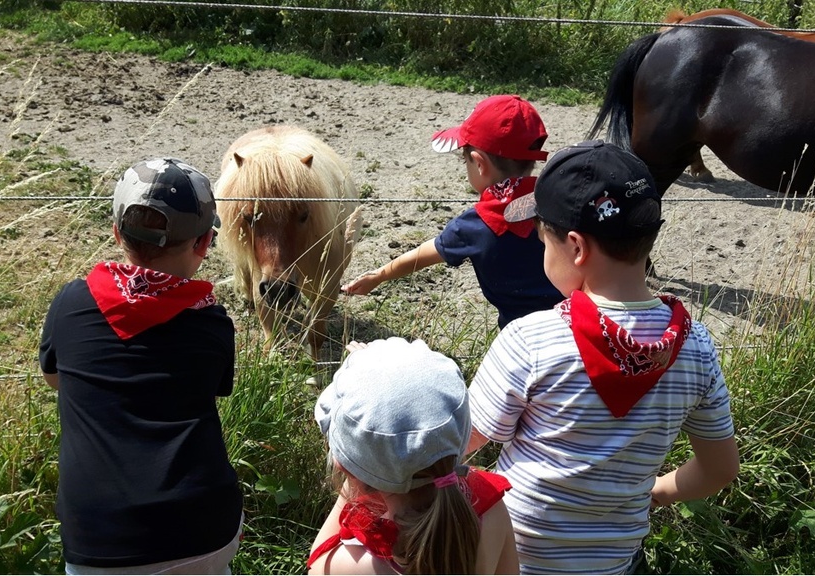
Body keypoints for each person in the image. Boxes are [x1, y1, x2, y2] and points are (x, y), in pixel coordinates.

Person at [466, 141, 740, 574]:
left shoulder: (531, 341)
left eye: (543, 242)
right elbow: (720, 468)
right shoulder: (695, 348)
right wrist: (656, 491)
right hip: (612, 564)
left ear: (575, 247)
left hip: (514, 559)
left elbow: (459, 443)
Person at [39, 158, 243, 574]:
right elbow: (213, 388)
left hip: (100, 537)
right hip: (204, 527)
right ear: (204, 243)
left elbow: (54, 377)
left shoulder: (72, 302)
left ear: (117, 233)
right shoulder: (211, 323)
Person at [341, 94, 563, 328]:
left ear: (479, 163)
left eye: (464, 161)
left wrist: (379, 275)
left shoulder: (475, 225)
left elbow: (424, 253)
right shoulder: (560, 204)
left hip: (520, 338)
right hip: (578, 325)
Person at [307, 337, 519, 575]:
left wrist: (357, 472)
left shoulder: (358, 564)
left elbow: (317, 564)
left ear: (343, 465)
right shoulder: (488, 508)